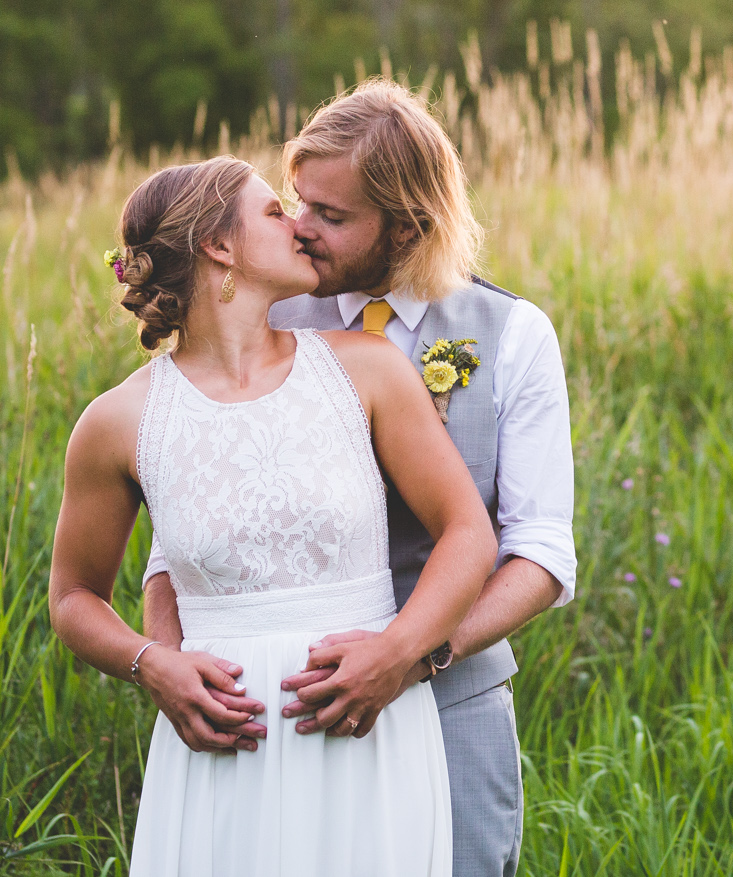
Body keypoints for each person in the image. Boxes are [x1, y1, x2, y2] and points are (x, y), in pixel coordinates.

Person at [140, 80, 578, 877]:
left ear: (406, 225)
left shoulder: (512, 334)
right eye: (297, 202)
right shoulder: (269, 320)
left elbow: (542, 553)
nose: (302, 230)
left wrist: (415, 653)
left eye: (332, 217)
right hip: (277, 718)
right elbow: (183, 532)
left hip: (452, 700)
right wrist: (167, 666)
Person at [48, 154, 497, 876]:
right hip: (220, 755)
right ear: (219, 247)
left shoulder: (367, 369)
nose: (299, 223)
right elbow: (73, 596)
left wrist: (399, 651)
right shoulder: (118, 421)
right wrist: (151, 663)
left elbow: (468, 533)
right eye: (271, 210)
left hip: (367, 736)